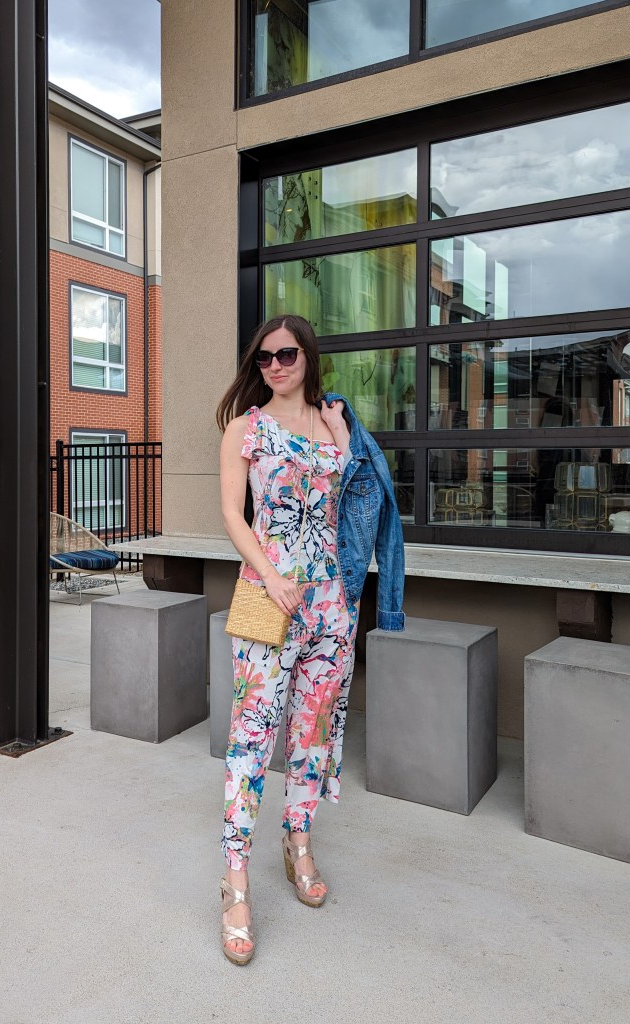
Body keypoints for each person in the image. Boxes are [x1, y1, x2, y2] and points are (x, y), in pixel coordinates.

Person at [216, 313, 406, 965]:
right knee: (251, 737)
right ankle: (234, 878)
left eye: (287, 354)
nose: (275, 365)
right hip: (265, 598)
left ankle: (297, 841)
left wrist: (343, 438)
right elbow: (231, 517)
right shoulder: (245, 428)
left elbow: (356, 504)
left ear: (307, 356)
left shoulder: (333, 425)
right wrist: (271, 577)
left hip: (330, 601)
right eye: (264, 357)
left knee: (313, 736)